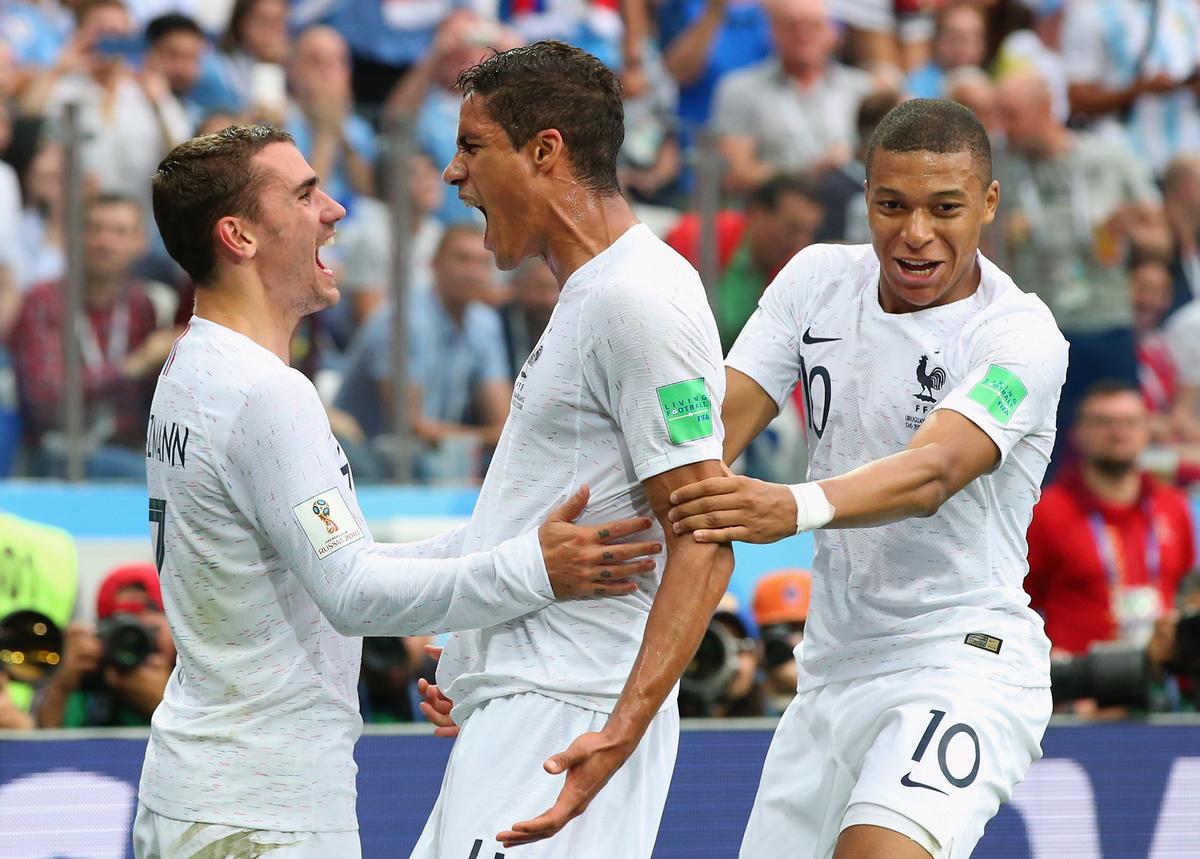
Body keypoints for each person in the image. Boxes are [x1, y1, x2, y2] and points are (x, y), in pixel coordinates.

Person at [133, 123, 661, 859]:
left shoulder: (194, 370)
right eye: (305, 194)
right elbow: (350, 591)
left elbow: (334, 562)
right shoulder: (265, 395)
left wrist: (509, 542)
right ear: (240, 236)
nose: (335, 210)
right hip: (262, 809)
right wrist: (536, 569)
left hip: (208, 788)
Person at [667, 98, 1069, 858]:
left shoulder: (1020, 335)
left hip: (959, 659)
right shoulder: (817, 278)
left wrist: (792, 506)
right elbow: (713, 432)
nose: (915, 233)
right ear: (866, 197)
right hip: (828, 676)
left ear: (988, 202)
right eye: (892, 205)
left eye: (945, 207)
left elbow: (934, 471)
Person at [411, 41, 733, 858]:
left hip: (567, 717)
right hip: (524, 705)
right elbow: (531, 514)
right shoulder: (592, 296)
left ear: (544, 151)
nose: (454, 174)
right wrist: (473, 658)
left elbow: (705, 535)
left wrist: (618, 731)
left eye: (472, 147)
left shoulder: (637, 299)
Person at [9, 193, 174, 479]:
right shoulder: (45, 300)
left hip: (127, 446)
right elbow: (46, 401)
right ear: (75, 236)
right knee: (155, 480)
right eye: (94, 228)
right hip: (59, 450)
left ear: (141, 243)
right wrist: (129, 367)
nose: (104, 241)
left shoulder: (142, 305)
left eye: (119, 232)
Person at [1025, 381, 1195, 657]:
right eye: (1104, 422)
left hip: (1160, 682)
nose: (1118, 433)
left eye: (1130, 422)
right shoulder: (1046, 512)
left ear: (1146, 432)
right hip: (1079, 687)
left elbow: (1184, 590)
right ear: (1078, 433)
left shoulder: (1172, 506)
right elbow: (1022, 604)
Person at [711, 0, 874, 193]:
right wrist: (807, 173)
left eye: (814, 26)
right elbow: (735, 176)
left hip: (852, 207)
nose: (803, 35)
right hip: (775, 211)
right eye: (792, 26)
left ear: (834, 33)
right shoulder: (739, 90)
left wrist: (852, 159)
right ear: (772, 31)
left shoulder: (863, 89)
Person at [35, 563, 175, 728]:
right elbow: (48, 746)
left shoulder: (194, 686)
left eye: (151, 631)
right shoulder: (90, 679)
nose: (134, 643)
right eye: (124, 632)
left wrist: (163, 703)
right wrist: (61, 686)